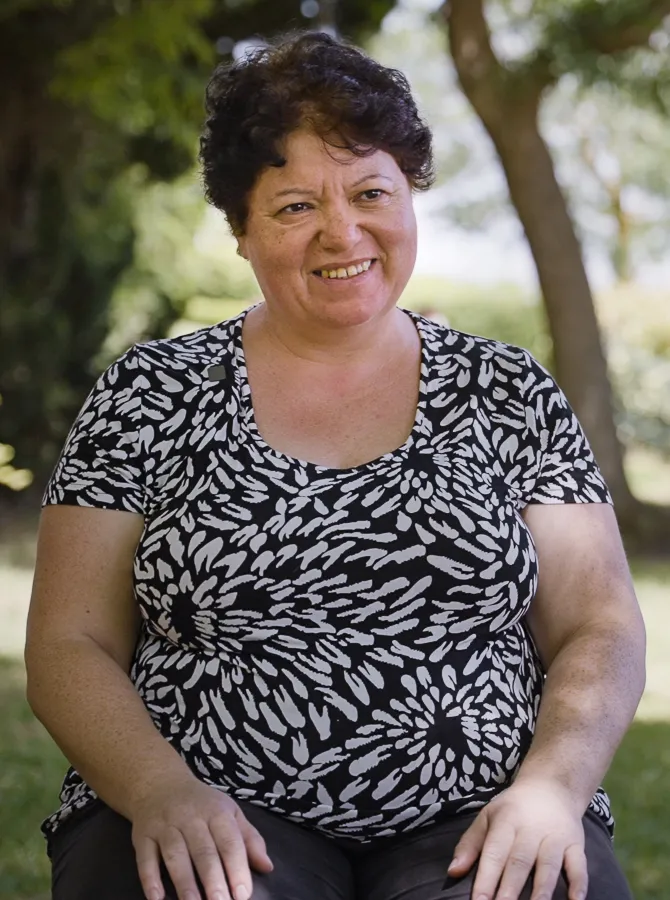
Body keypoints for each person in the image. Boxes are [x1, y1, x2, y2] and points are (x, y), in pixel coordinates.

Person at [25, 30, 645, 900]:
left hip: (484, 811)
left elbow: (601, 626)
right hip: (203, 806)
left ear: (410, 198)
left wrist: (554, 790)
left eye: (370, 191)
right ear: (241, 230)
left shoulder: (509, 390)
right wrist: (159, 789)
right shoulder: (148, 392)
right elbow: (68, 641)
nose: (342, 231)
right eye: (293, 207)